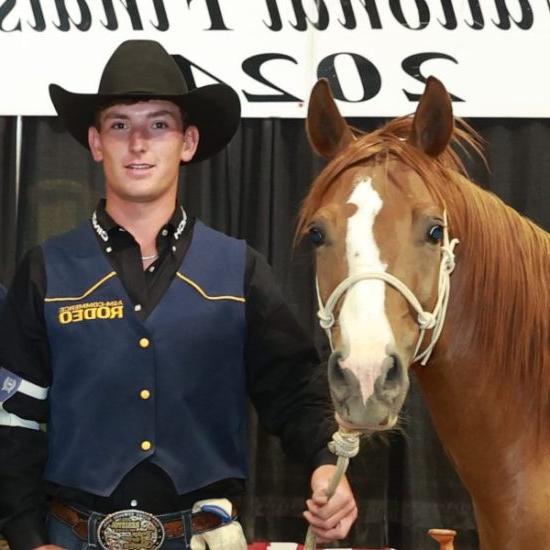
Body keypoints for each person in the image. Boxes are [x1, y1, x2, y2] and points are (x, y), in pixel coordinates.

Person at [0, 40, 357, 550]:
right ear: (96, 142)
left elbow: (294, 388)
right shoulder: (46, 270)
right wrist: (27, 537)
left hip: (205, 537)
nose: (138, 142)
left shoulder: (239, 270)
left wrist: (327, 466)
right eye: (119, 124)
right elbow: (13, 421)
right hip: (69, 538)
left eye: (158, 124)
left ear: (187, 142)